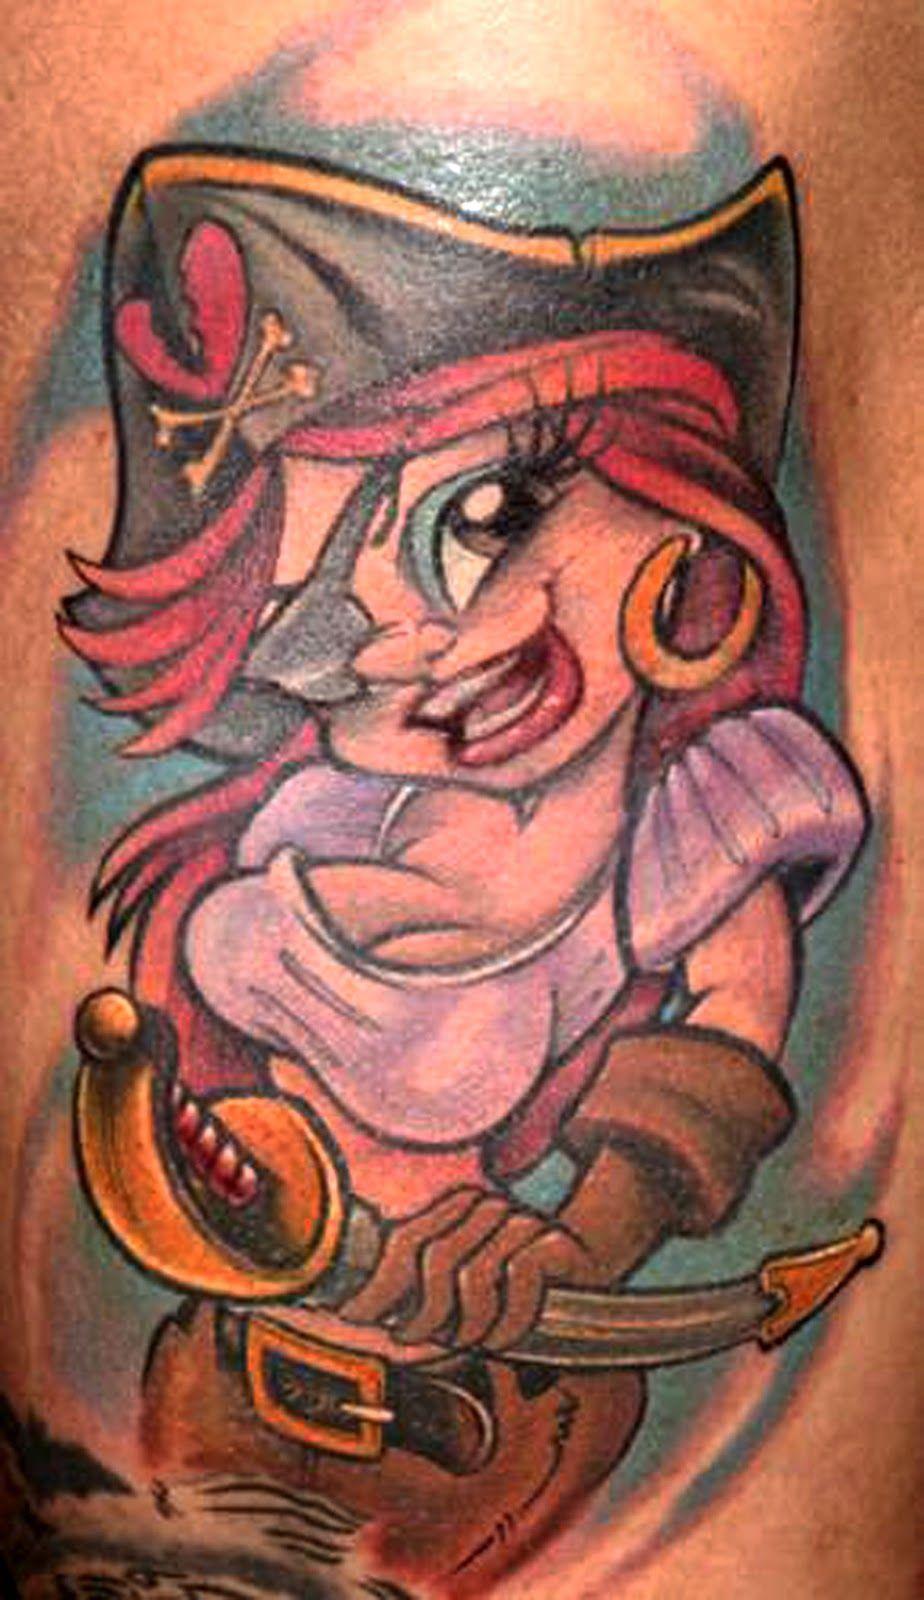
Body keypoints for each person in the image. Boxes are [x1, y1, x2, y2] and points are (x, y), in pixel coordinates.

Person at [57, 147, 867, 1592]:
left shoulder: (691, 817)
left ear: (684, 522)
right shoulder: (326, 813)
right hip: (215, 1386)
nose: (398, 647)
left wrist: (580, 1240)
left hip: (497, 1436)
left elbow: (732, 1033)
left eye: (478, 522)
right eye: (310, 621)